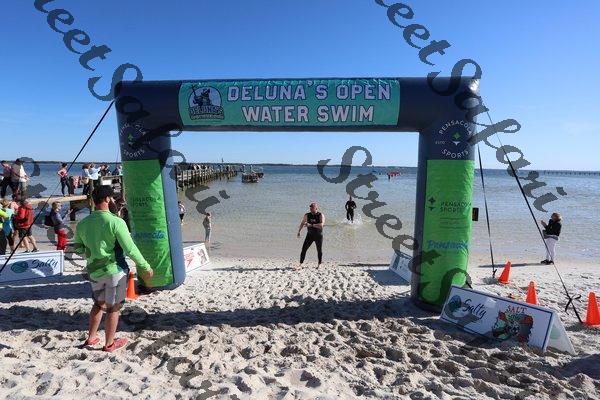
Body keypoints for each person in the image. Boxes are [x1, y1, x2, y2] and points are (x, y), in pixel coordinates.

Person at [74, 185, 153, 352]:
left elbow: (78, 249)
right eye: (112, 198)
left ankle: (91, 338)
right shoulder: (116, 222)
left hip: (94, 271)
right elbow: (130, 249)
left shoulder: (82, 223)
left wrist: (94, 252)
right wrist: (145, 266)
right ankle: (109, 344)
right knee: (113, 308)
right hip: (115, 270)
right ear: (108, 199)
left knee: (98, 304)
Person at [296, 202, 325, 269]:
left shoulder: (320, 215)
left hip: (318, 235)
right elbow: (302, 223)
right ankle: (300, 264)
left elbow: (321, 225)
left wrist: (311, 225)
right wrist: (299, 231)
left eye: (312, 208)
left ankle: (319, 264)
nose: (311, 209)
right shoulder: (307, 215)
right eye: (310, 208)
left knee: (319, 250)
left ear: (316, 208)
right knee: (304, 249)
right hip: (309, 235)